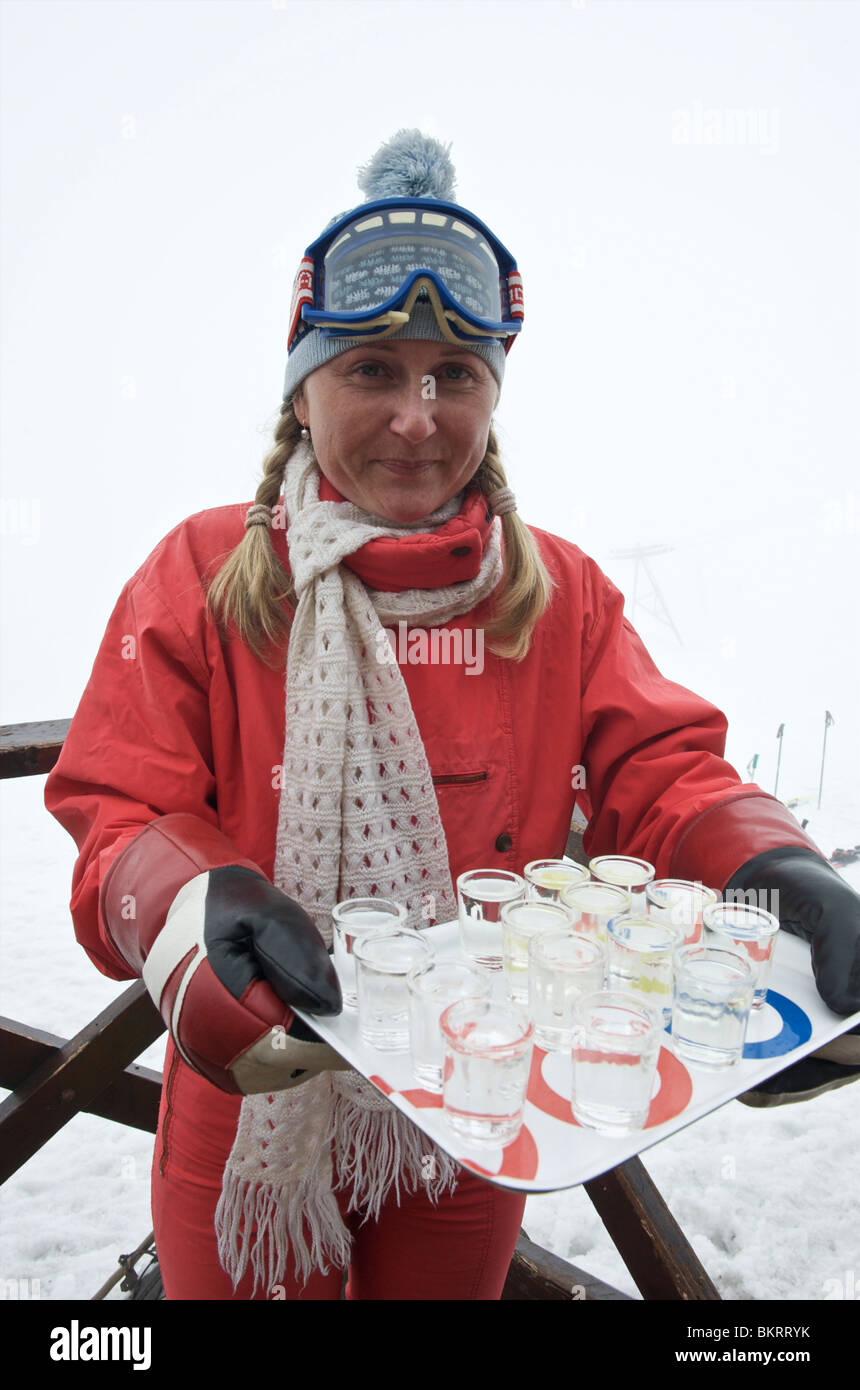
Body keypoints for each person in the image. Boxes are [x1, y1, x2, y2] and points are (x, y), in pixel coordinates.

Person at [45, 130, 860, 1300]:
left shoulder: (559, 594)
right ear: (303, 386)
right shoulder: (205, 571)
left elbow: (664, 774)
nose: (417, 418)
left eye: (454, 376)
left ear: (492, 394)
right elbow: (120, 802)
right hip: (252, 1096)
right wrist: (193, 902)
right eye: (373, 369)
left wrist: (774, 866)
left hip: (479, 1110)